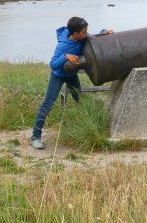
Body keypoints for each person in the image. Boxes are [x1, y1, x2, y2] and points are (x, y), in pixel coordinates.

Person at [31, 16, 112, 149]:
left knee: (80, 102)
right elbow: (53, 64)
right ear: (75, 34)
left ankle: (90, 129)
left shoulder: (82, 37)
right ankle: (35, 136)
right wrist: (65, 56)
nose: (87, 34)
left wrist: (104, 32)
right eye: (84, 32)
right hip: (58, 76)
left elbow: (92, 39)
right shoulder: (63, 46)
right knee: (48, 104)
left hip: (72, 76)